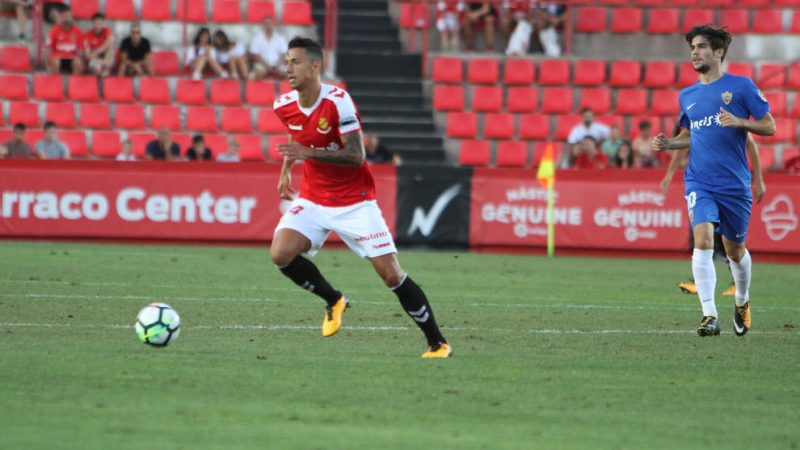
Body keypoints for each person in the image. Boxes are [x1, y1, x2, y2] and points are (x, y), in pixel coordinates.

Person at [272, 37, 452, 358]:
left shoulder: (338, 101)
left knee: (391, 274)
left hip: (355, 201)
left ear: (315, 65)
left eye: (295, 61)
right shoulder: (283, 105)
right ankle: (334, 300)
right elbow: (296, 134)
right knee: (281, 254)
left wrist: (306, 152)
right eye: (286, 61)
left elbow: (356, 156)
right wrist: (287, 169)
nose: (288, 68)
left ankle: (437, 343)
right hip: (314, 198)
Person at [652, 25, 775, 337]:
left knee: (735, 251)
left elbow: (769, 126)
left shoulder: (742, 87)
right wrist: (670, 144)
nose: (695, 51)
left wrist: (740, 122)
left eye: (702, 46)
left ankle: (743, 301)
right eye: (693, 46)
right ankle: (709, 315)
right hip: (699, 182)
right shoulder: (688, 95)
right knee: (703, 241)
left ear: (719, 52)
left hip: (734, 185)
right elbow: (690, 135)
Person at [663, 135, 763, 298]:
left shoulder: (726, 115)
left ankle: (737, 285)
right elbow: (684, 144)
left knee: (727, 241)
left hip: (727, 185)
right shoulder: (691, 114)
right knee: (702, 234)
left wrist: (759, 180)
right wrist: (669, 173)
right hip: (702, 184)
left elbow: (750, 144)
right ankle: (701, 285)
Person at [46, 8, 84, 75]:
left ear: (72, 18)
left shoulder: (78, 31)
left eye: (68, 16)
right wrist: (47, 64)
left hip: (72, 58)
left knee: (78, 63)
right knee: (55, 62)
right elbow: (47, 49)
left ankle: (74, 84)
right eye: (64, 16)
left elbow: (80, 50)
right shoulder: (53, 31)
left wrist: (81, 61)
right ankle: (55, 83)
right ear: (60, 18)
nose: (66, 19)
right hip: (58, 58)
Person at [83, 13, 115, 77]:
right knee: (97, 67)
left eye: (99, 24)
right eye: (95, 24)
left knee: (111, 47)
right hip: (95, 58)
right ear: (92, 24)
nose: (97, 26)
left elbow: (110, 41)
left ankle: (105, 71)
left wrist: (98, 51)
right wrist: (96, 58)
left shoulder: (107, 31)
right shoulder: (87, 35)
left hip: (105, 57)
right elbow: (87, 54)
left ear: (103, 24)